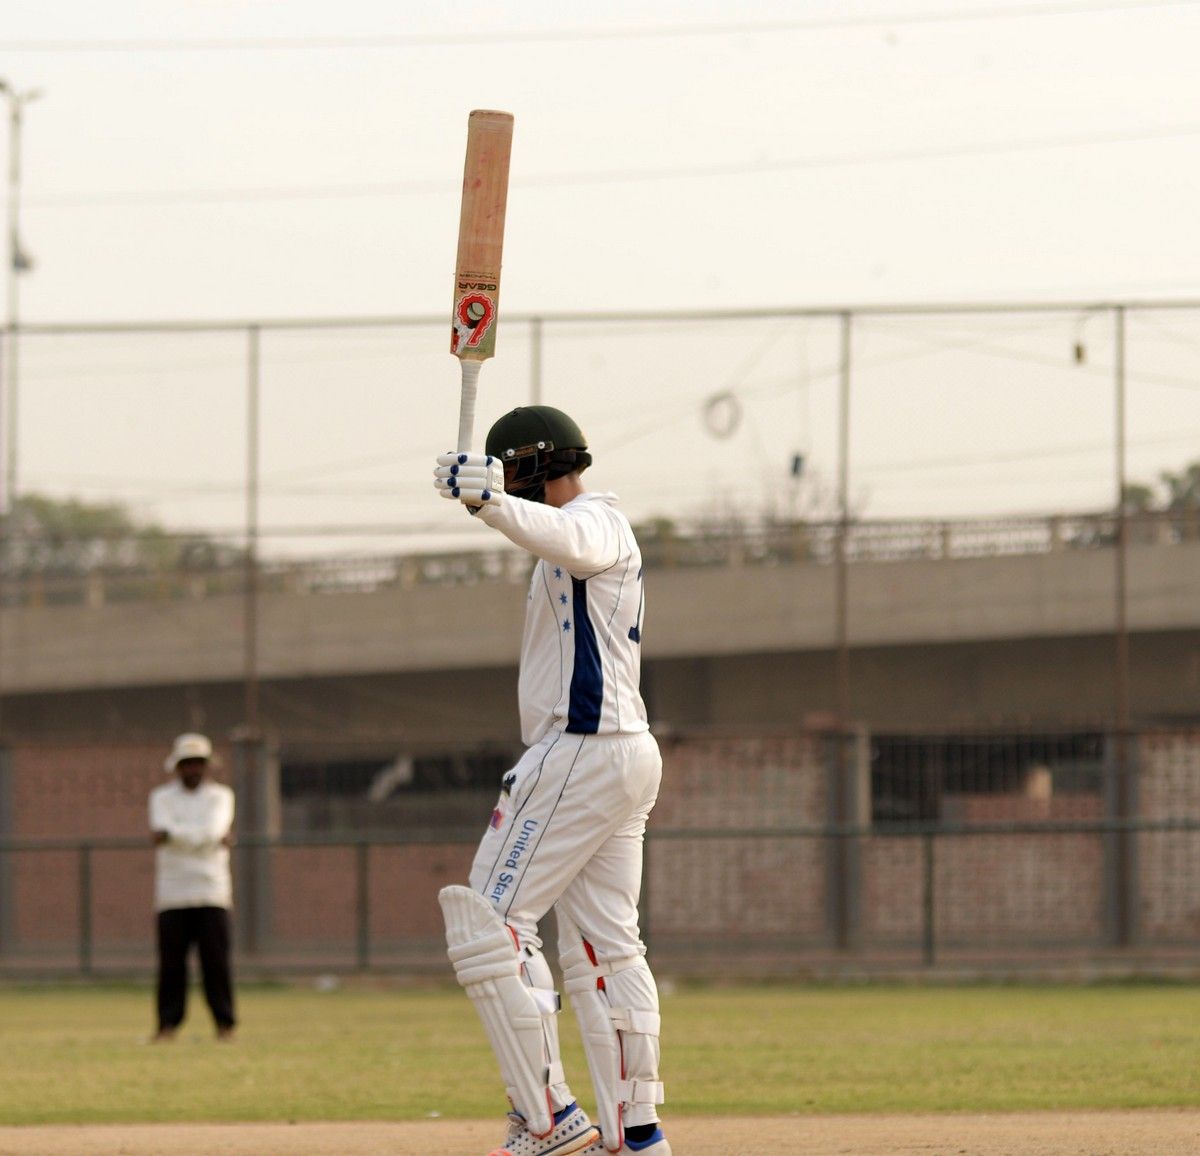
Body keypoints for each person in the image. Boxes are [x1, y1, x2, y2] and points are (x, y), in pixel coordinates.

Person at [433, 406, 671, 1156]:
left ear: (532, 469)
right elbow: (551, 539)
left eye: (509, 475)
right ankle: (636, 1135)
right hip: (620, 754)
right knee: (604, 949)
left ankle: (546, 1117)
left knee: (488, 921)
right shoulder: (567, 540)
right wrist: (493, 503)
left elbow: (570, 537)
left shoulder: (598, 523)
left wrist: (488, 501)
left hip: (580, 751)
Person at [148, 732, 237, 1042]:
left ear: (207, 765)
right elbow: (203, 835)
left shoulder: (221, 796)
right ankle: (167, 1025)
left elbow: (213, 829)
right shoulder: (161, 797)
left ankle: (225, 1024)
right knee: (171, 965)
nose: (193, 769)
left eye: (198, 763)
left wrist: (175, 837)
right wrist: (207, 839)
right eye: (187, 763)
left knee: (216, 962)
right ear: (177, 766)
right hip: (172, 893)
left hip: (212, 890)